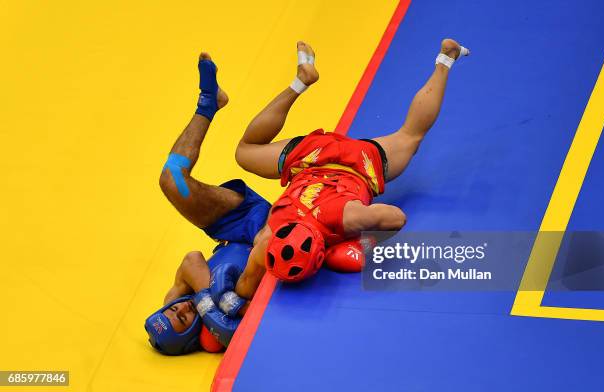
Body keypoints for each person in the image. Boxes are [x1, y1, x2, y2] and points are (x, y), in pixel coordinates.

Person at [221, 39, 470, 304]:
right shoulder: (268, 239)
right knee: (245, 151)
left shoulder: (345, 219)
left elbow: (396, 217)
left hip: (359, 163)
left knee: (411, 136)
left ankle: (446, 57)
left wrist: (359, 243)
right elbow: (243, 288)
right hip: (311, 155)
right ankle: (301, 81)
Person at [144, 52, 271, 355]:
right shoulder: (214, 339)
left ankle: (208, 102)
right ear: (188, 335)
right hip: (267, 241)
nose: (182, 309)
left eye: (173, 310)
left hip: (236, 225)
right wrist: (222, 307)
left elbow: (191, 260)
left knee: (171, 179)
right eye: (183, 318)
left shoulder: (180, 297)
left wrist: (210, 301)